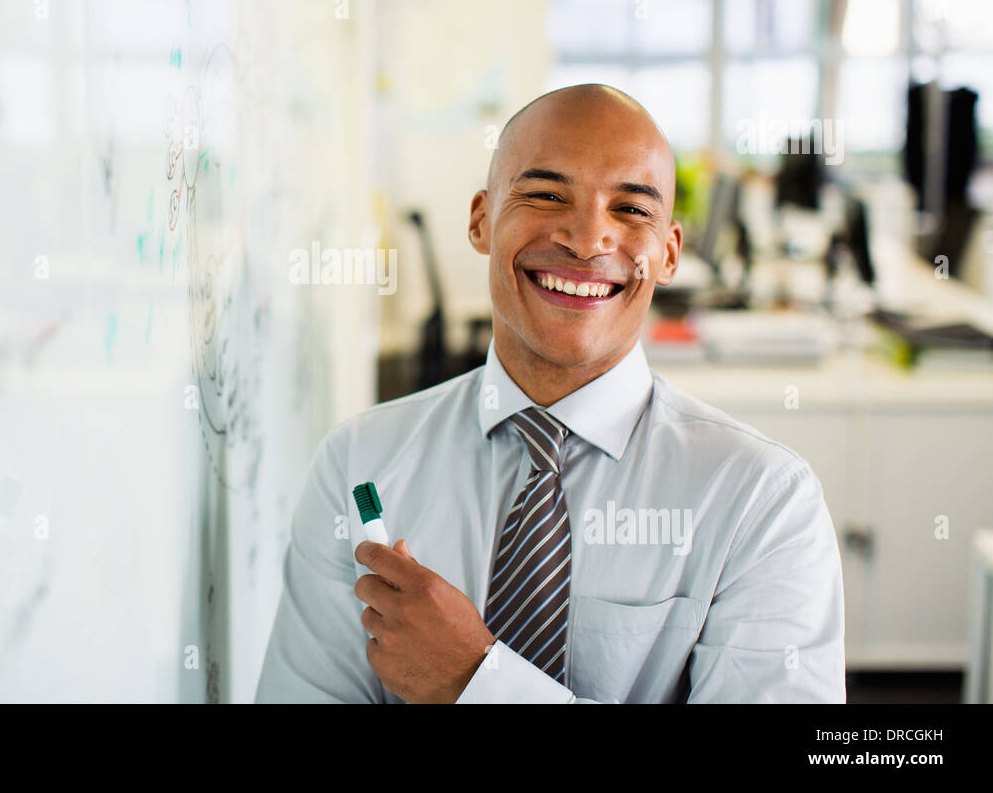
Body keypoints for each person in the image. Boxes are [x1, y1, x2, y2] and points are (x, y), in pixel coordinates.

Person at [255, 84, 844, 703]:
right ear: (481, 219)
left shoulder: (762, 501)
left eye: (631, 210)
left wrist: (475, 683)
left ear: (668, 254)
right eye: (545, 194)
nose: (588, 239)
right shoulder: (358, 464)